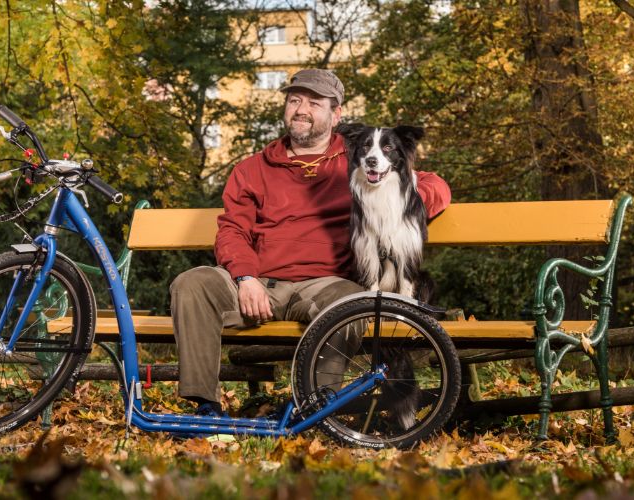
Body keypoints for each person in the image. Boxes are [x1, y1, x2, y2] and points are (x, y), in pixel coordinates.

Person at [169, 69, 451, 416]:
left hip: (326, 284)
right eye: (294, 100)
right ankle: (206, 405)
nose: (301, 109)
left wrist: (405, 203)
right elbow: (233, 231)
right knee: (192, 284)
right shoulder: (252, 169)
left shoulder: (361, 160)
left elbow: (434, 185)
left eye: (314, 103)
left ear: (336, 115)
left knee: (350, 302)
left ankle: (314, 407)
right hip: (260, 283)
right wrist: (245, 277)